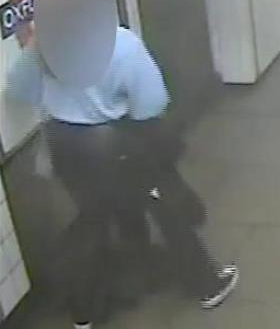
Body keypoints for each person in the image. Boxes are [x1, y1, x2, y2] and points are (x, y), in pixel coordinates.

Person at [7, 22, 238, 329]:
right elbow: (152, 104)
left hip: (67, 149)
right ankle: (207, 284)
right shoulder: (120, 42)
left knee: (92, 218)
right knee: (163, 198)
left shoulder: (40, 48)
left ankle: (84, 312)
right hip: (114, 147)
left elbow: (18, 89)